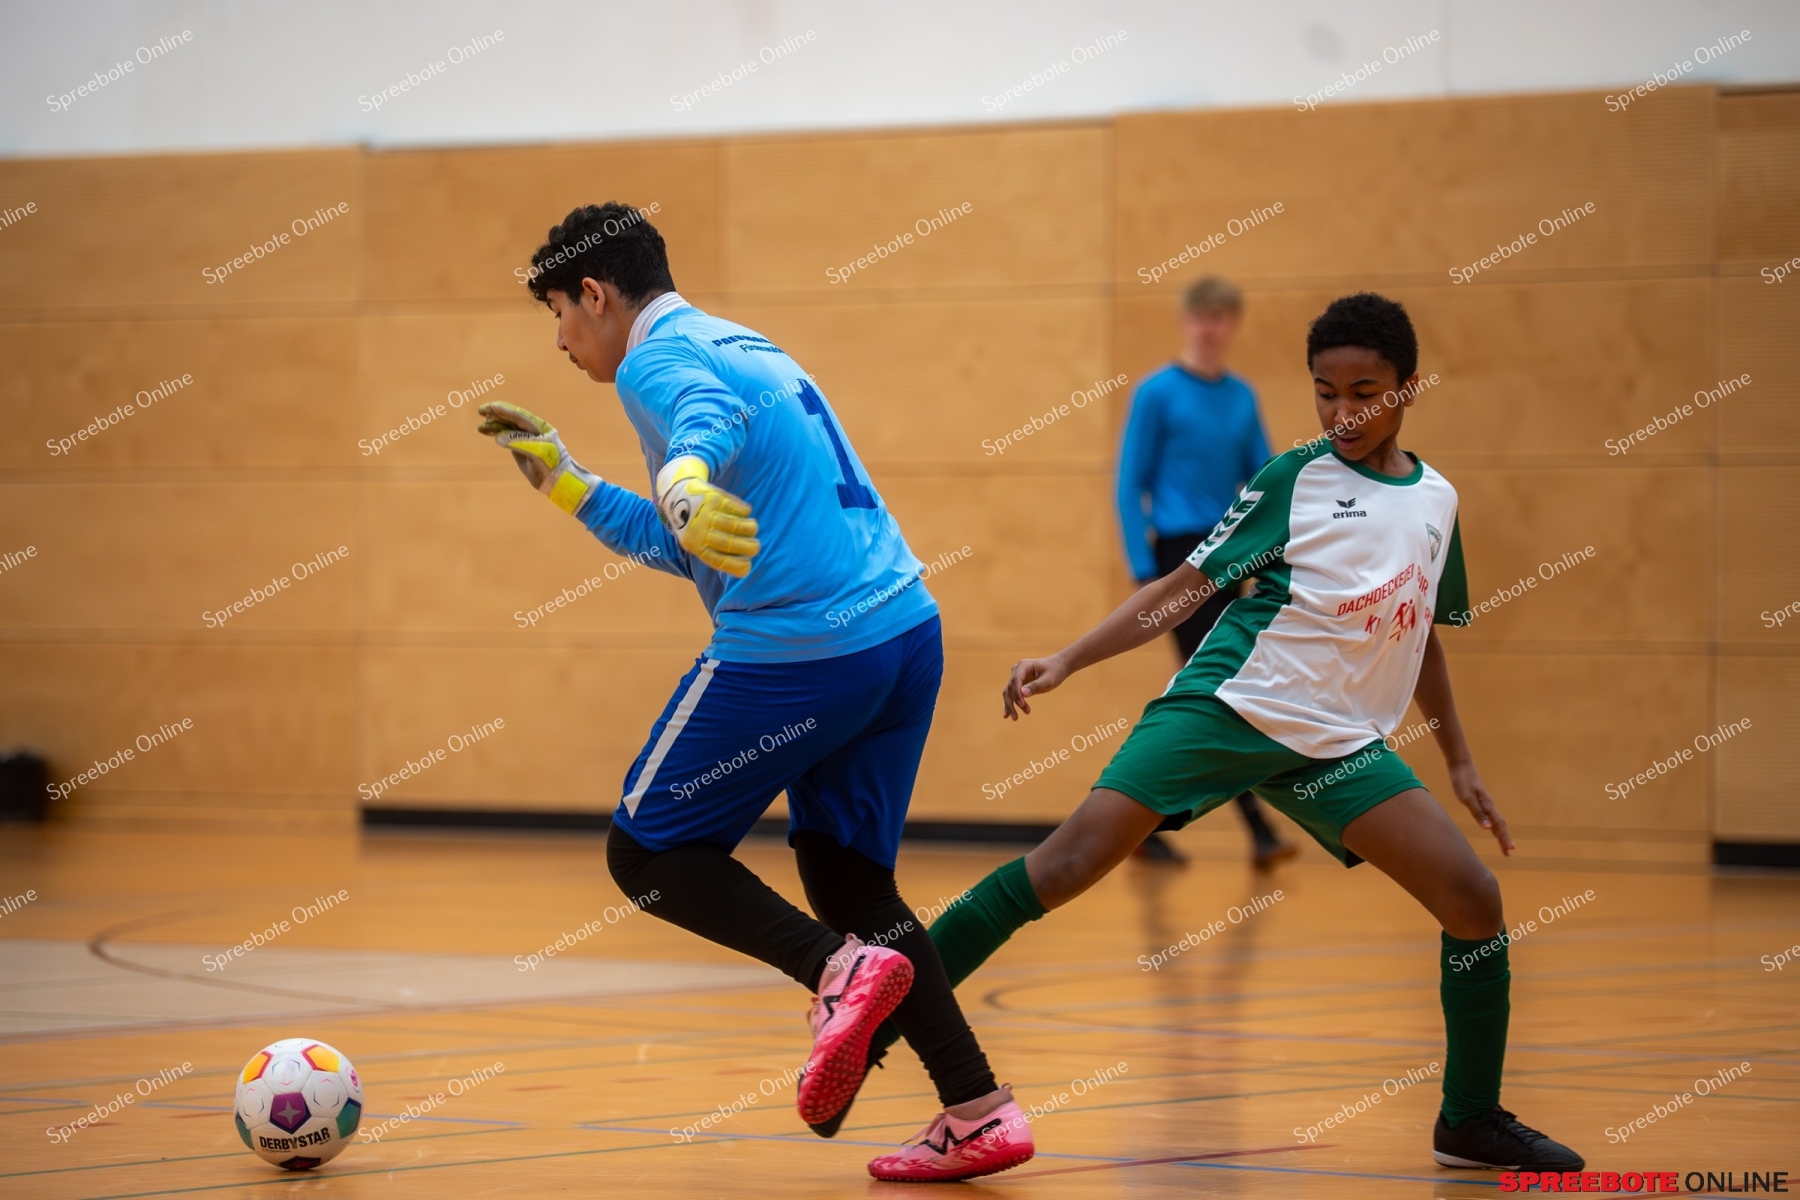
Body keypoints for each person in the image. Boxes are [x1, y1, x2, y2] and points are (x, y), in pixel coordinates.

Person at [864, 292, 1585, 1173]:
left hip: (1339, 744)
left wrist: (1460, 761)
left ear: (1408, 387)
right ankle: (876, 1020)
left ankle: (1469, 1120)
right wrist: (1069, 659)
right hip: (1231, 706)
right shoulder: (1294, 478)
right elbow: (1184, 588)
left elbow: (1420, 627)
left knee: (1473, 899)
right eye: (1324, 391)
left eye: (1364, 392)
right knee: (1068, 863)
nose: (1342, 412)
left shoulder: (1436, 499)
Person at [475, 203, 1031, 1183]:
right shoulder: (743, 342)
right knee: (849, 881)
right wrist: (568, 483)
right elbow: (697, 542)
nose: (559, 339)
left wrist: (685, 477)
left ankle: (836, 972)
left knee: (646, 852)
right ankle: (979, 1110)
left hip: (808, 649)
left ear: (594, 294)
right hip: (904, 634)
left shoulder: (656, 363)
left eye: (557, 312)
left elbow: (701, 428)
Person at [1117, 276, 1296, 867]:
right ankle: (1254, 829)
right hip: (1176, 553)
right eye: (1201, 317)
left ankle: (1140, 820)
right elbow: (1128, 483)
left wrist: (1278, 551)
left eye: (1220, 317)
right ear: (1185, 322)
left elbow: (1267, 479)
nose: (1210, 329)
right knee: (1212, 684)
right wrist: (1143, 568)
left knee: (1209, 684)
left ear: (1233, 323)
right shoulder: (1156, 393)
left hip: (1230, 553)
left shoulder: (1241, 396)